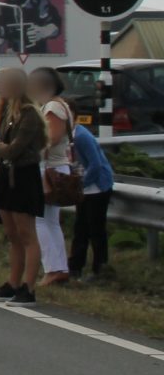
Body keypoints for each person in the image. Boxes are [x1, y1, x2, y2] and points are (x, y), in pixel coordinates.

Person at [0, 67, 44, 306]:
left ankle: (28, 287)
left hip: (22, 176)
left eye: (2, 82)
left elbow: (13, 149)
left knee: (26, 233)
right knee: (12, 234)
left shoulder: (29, 114)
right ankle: (12, 283)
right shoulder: (7, 112)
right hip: (6, 174)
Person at [29, 66, 75, 288]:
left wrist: (29, 148)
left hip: (50, 170)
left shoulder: (53, 106)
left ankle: (53, 268)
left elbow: (53, 137)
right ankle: (60, 268)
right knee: (51, 221)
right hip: (57, 169)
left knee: (39, 221)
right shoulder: (59, 104)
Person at [68, 120, 117, 282]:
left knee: (96, 229)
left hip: (97, 188)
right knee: (80, 228)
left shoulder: (81, 136)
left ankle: (100, 269)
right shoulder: (68, 136)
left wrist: (82, 184)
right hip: (85, 189)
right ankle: (75, 267)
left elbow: (95, 164)